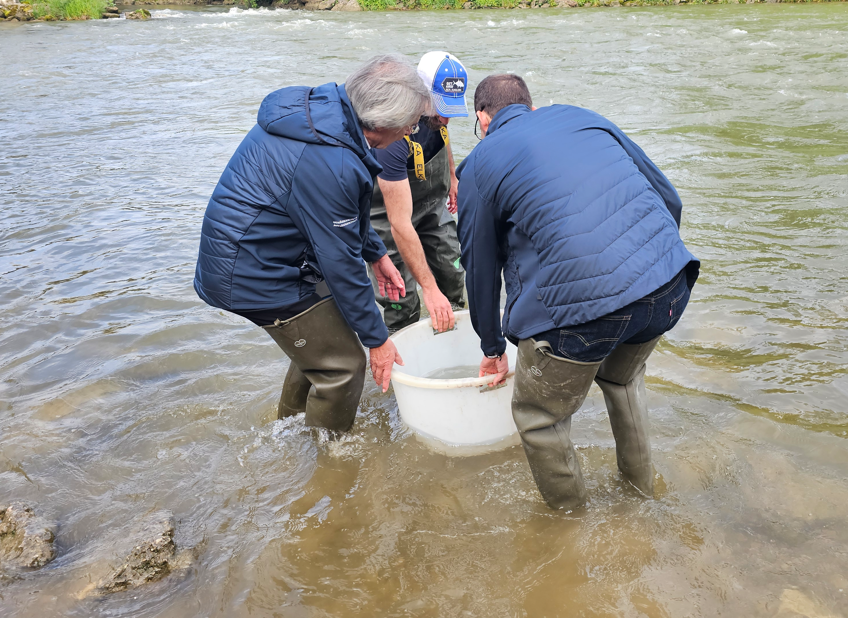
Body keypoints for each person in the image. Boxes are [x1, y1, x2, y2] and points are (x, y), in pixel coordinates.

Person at [456, 74, 700, 511]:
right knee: (622, 380)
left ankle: (569, 535)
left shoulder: (479, 163)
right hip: (670, 284)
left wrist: (492, 347)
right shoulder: (583, 117)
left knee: (539, 419)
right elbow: (669, 198)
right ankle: (642, 496)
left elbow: (479, 269)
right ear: (530, 107)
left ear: (482, 119)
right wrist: (647, 272)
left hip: (586, 312)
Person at [193, 55, 433, 432]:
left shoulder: (329, 115)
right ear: (381, 121)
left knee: (327, 338)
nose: (412, 132)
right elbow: (339, 262)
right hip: (250, 270)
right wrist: (379, 340)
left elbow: (342, 215)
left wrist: (376, 255)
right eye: (412, 123)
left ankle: (287, 433)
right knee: (343, 366)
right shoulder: (331, 159)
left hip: (265, 252)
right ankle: (326, 466)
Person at [367, 52, 470, 334]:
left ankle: (454, 330)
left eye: (452, 107)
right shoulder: (394, 133)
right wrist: (428, 288)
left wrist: (452, 177)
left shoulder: (438, 119)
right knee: (400, 294)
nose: (446, 116)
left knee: (452, 268)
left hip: (431, 202)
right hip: (388, 217)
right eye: (441, 106)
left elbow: (442, 139)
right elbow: (399, 224)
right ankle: (402, 343)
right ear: (420, 93)